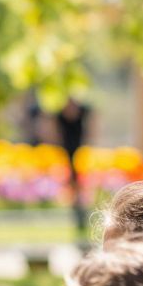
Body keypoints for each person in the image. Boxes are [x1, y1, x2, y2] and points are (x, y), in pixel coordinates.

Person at [56, 97, 91, 237]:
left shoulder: (85, 111)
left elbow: (90, 132)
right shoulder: (57, 113)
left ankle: (81, 216)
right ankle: (76, 216)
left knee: (82, 188)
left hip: (81, 154)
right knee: (70, 188)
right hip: (64, 155)